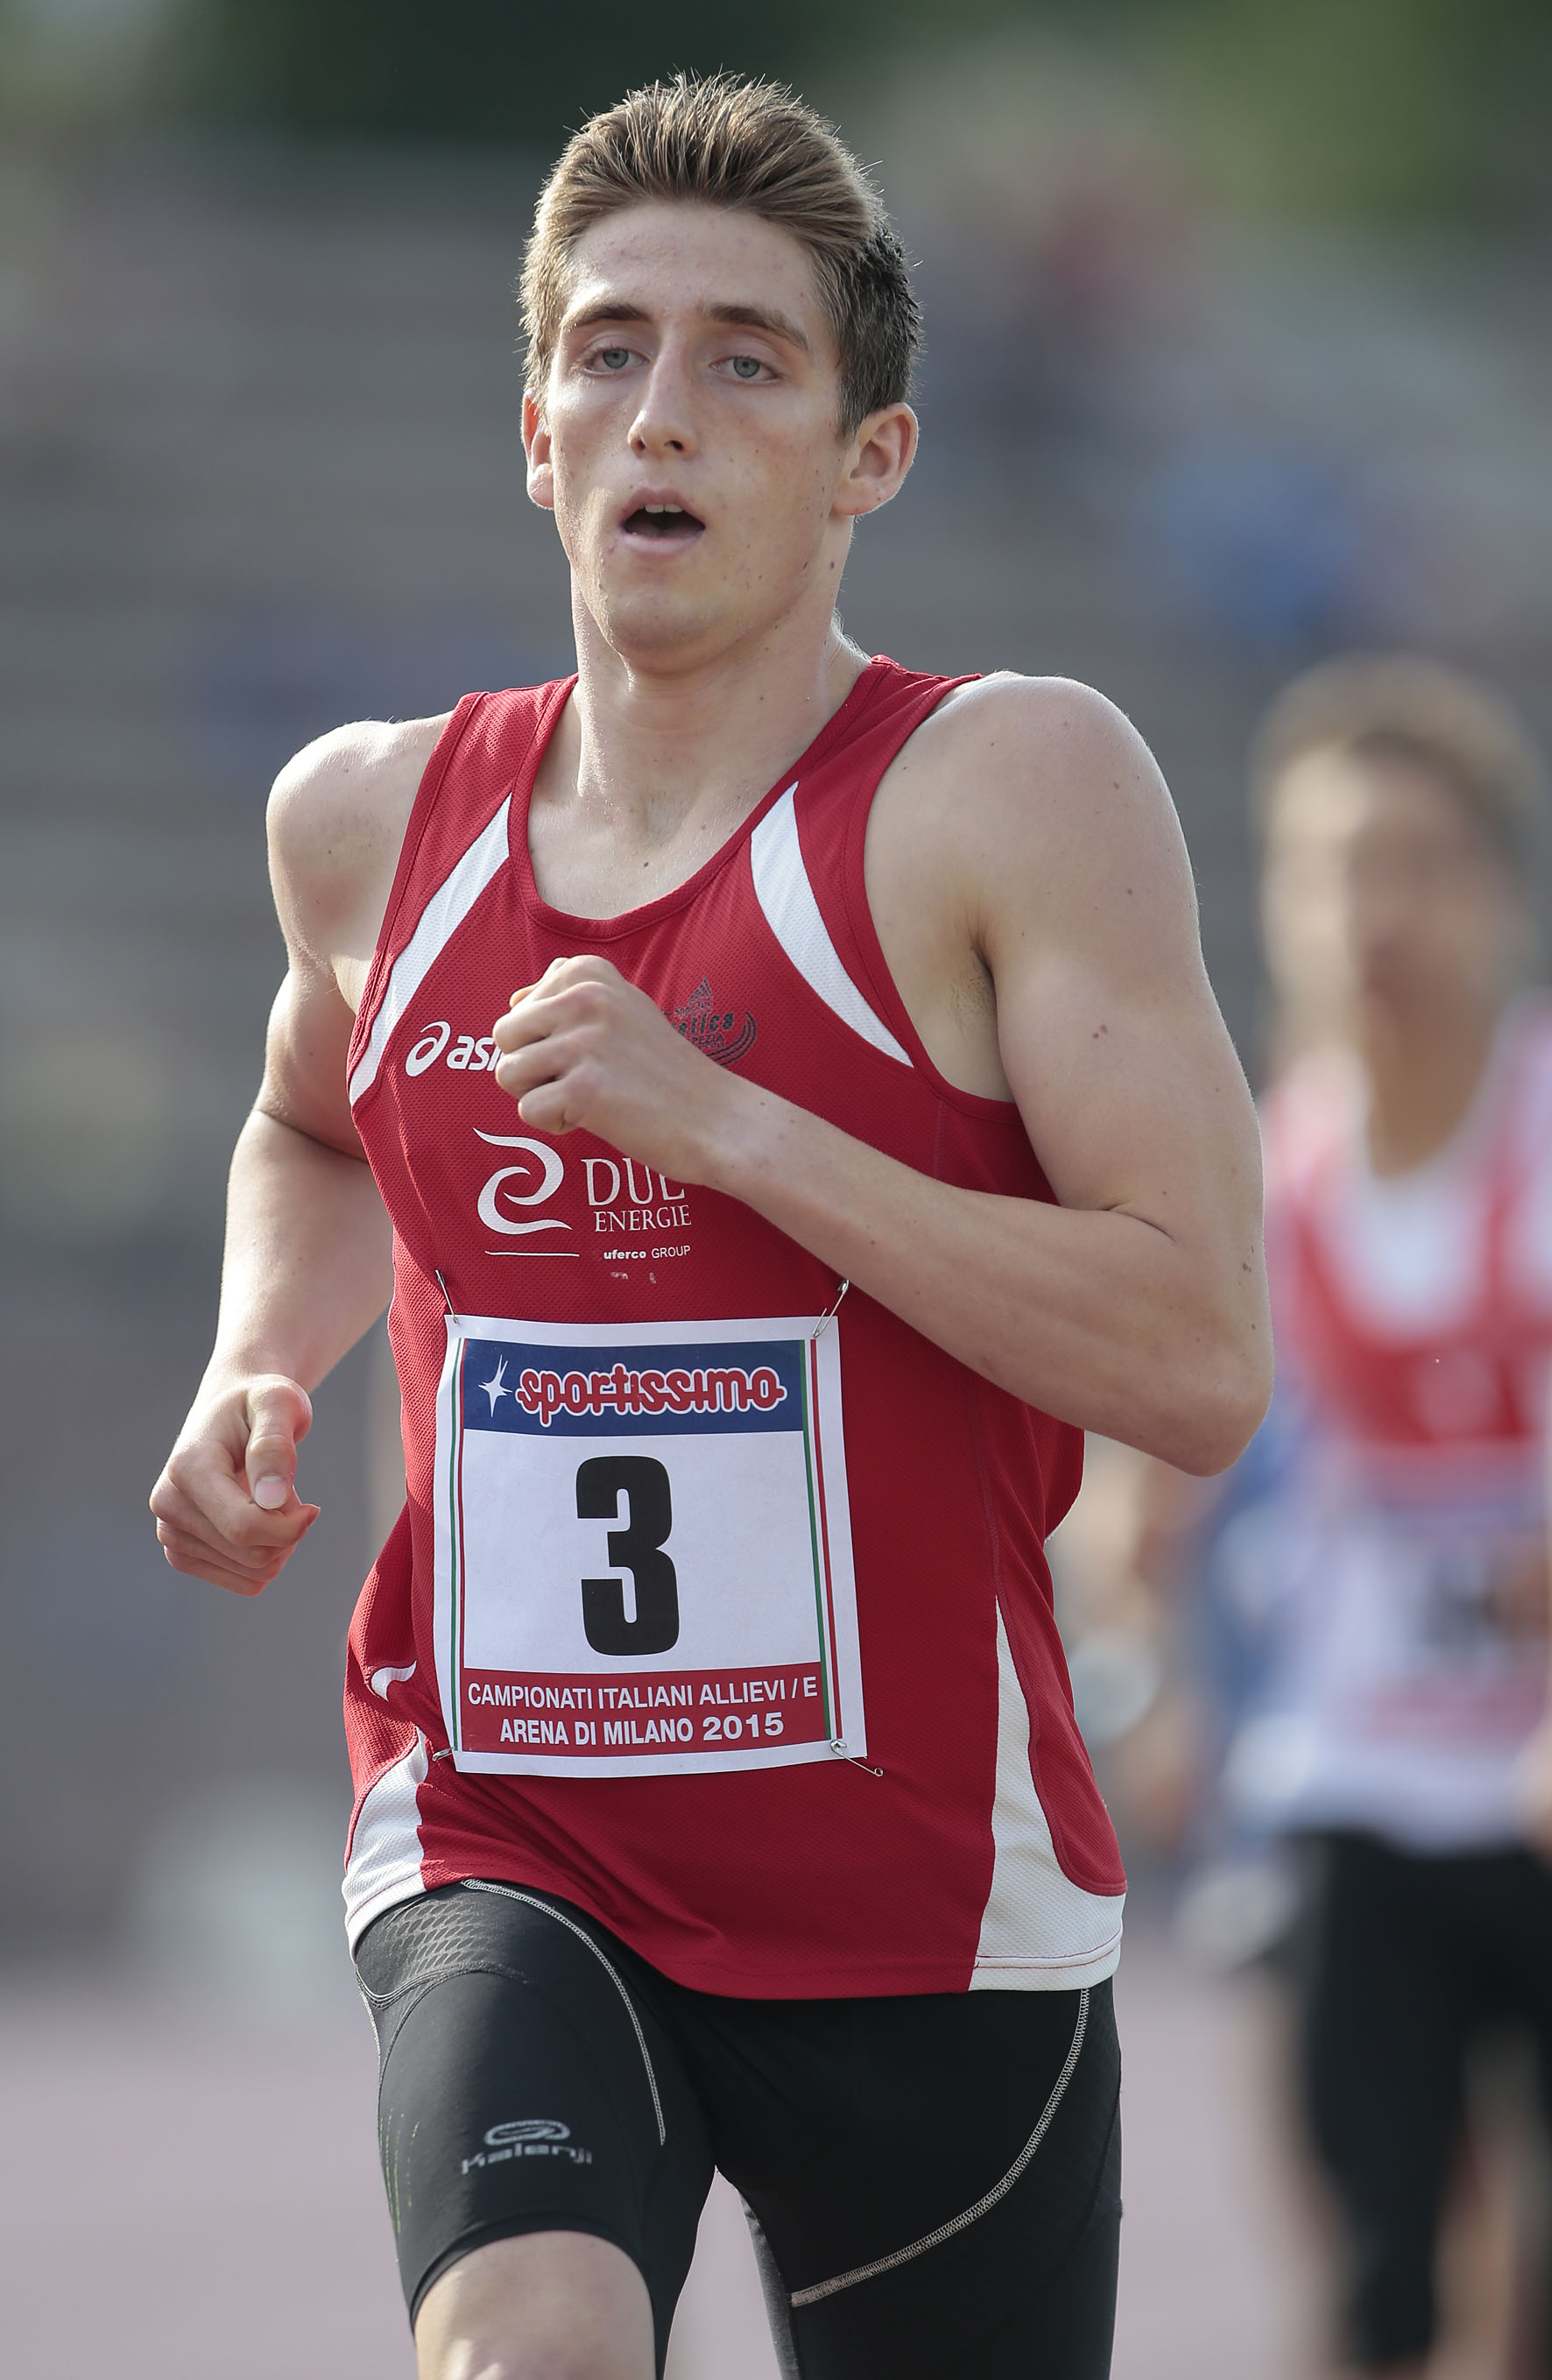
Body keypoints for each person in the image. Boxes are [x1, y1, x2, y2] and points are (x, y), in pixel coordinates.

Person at [149, 74, 1269, 2380]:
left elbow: (1193, 1355)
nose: (662, 408)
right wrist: (258, 1354)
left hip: (928, 1908)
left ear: (869, 456)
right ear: (536, 434)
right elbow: (316, 1127)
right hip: (513, 1834)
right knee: (526, 2354)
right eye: (608, 350)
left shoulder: (1006, 791)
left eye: (747, 360)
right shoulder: (365, 822)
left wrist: (735, 1128)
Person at [1130, 654, 1552, 2376]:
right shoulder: (1265, 1170)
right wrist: (1150, 1665)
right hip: (1357, 1780)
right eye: (1330, 869)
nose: (1373, 914)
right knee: (1378, 2286)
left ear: (1498, 893)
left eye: (1418, 864)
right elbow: (1150, 1481)